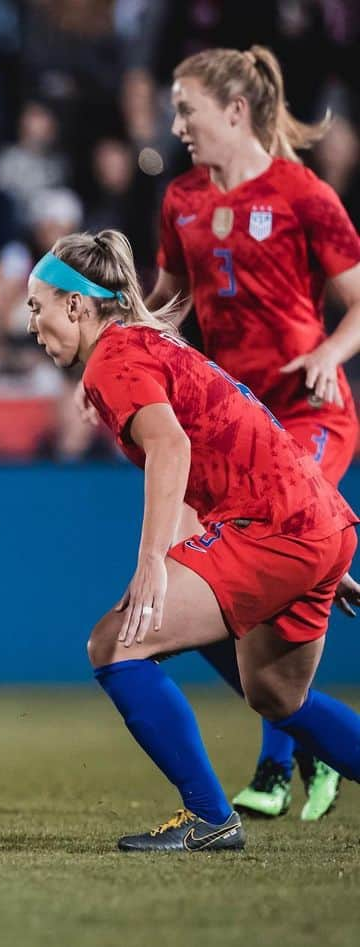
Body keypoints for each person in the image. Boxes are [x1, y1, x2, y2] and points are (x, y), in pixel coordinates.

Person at [28, 229, 360, 852]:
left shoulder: (115, 360)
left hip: (281, 528)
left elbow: (171, 447)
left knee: (114, 645)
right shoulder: (148, 342)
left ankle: (211, 818)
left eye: (36, 305)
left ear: (75, 305)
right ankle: (218, 814)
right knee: (276, 692)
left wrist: (153, 558)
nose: (32, 323)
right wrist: (317, 549)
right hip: (314, 523)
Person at [145, 45, 360, 821]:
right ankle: (306, 740)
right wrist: (118, 351)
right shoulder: (181, 200)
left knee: (261, 563)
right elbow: (168, 304)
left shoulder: (304, 192)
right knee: (188, 587)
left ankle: (275, 766)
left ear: (235, 111)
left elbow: (358, 299)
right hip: (236, 428)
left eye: (187, 110)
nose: (177, 126)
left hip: (309, 414)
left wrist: (329, 352)